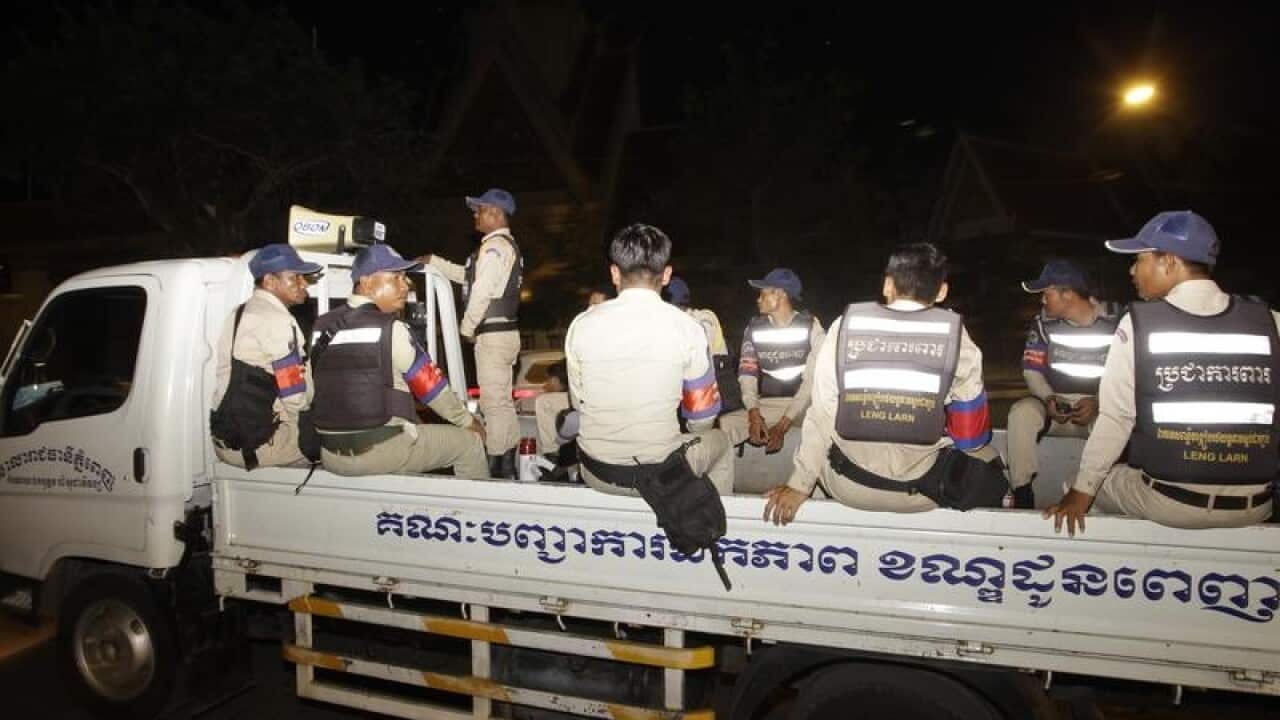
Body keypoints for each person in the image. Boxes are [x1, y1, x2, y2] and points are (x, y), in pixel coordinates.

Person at [1045, 211, 1278, 536]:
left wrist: (1079, 493)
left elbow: (1117, 417)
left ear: (1168, 262)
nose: (1132, 270)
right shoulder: (1270, 322)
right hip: (1258, 504)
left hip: (1172, 502)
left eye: (1139, 259)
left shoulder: (1140, 324)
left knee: (1079, 486)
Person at [764, 243, 1004, 524]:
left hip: (849, 486)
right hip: (921, 493)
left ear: (888, 285)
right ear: (942, 291)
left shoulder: (844, 327)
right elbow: (969, 436)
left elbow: (821, 413)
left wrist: (798, 485)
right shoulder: (957, 338)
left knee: (816, 441)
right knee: (989, 456)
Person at [565, 223, 734, 496]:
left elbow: (578, 403)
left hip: (597, 470)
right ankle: (713, 527)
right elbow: (702, 417)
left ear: (615, 273)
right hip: (660, 474)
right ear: (666, 275)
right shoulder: (688, 327)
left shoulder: (581, 324)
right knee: (721, 442)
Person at [310, 244, 489, 479]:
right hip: (380, 453)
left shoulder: (321, 327)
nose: (405, 286)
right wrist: (468, 421)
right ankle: (469, 516)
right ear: (367, 283)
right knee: (470, 444)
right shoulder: (390, 328)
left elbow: (308, 394)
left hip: (331, 455)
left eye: (404, 277)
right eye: (395, 278)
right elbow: (431, 388)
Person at [421, 188, 523, 478]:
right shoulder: (501, 247)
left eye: (479, 210)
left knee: (494, 404)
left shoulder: (494, 248)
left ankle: (495, 465)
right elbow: (467, 277)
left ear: (495, 213)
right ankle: (506, 465)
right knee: (502, 402)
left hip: (492, 334)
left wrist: (467, 328)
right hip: (503, 333)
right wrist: (436, 263)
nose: (475, 216)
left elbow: (481, 290)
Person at [1005, 261, 1121, 508]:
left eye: (1046, 294)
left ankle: (1096, 495)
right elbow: (1031, 370)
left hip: (1097, 411)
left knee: (1119, 422)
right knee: (1021, 413)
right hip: (1054, 408)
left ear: (1067, 294)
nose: (1042, 301)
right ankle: (1022, 494)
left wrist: (1099, 402)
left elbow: (1127, 376)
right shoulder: (1043, 323)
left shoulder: (1119, 320)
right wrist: (1048, 399)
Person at [211, 244, 322, 469]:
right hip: (262, 445)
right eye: (295, 278)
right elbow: (293, 393)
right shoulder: (278, 321)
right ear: (270, 281)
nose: (304, 285)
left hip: (229, 438)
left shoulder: (240, 312)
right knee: (340, 452)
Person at [719, 268, 825, 452]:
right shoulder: (754, 328)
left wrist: (782, 427)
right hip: (770, 404)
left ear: (780, 294)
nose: (758, 299)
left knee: (827, 423)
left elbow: (811, 383)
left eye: (763, 293)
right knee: (725, 424)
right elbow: (747, 374)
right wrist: (753, 413)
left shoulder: (812, 327)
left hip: (805, 405)